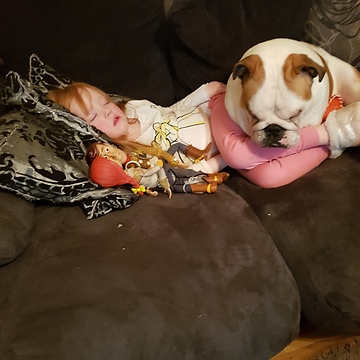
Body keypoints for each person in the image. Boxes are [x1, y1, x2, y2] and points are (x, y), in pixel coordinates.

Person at [48, 81, 227, 174]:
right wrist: (224, 160)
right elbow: (182, 172)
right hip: (224, 141)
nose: (107, 112)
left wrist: (204, 91)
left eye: (105, 102)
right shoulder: (133, 157)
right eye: (94, 116)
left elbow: (170, 111)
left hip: (212, 108)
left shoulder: (135, 108)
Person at [209, 92, 339, 188]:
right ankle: (331, 139)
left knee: (237, 156)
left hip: (221, 102)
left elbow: (210, 89)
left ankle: (328, 134)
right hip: (223, 149)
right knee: (267, 177)